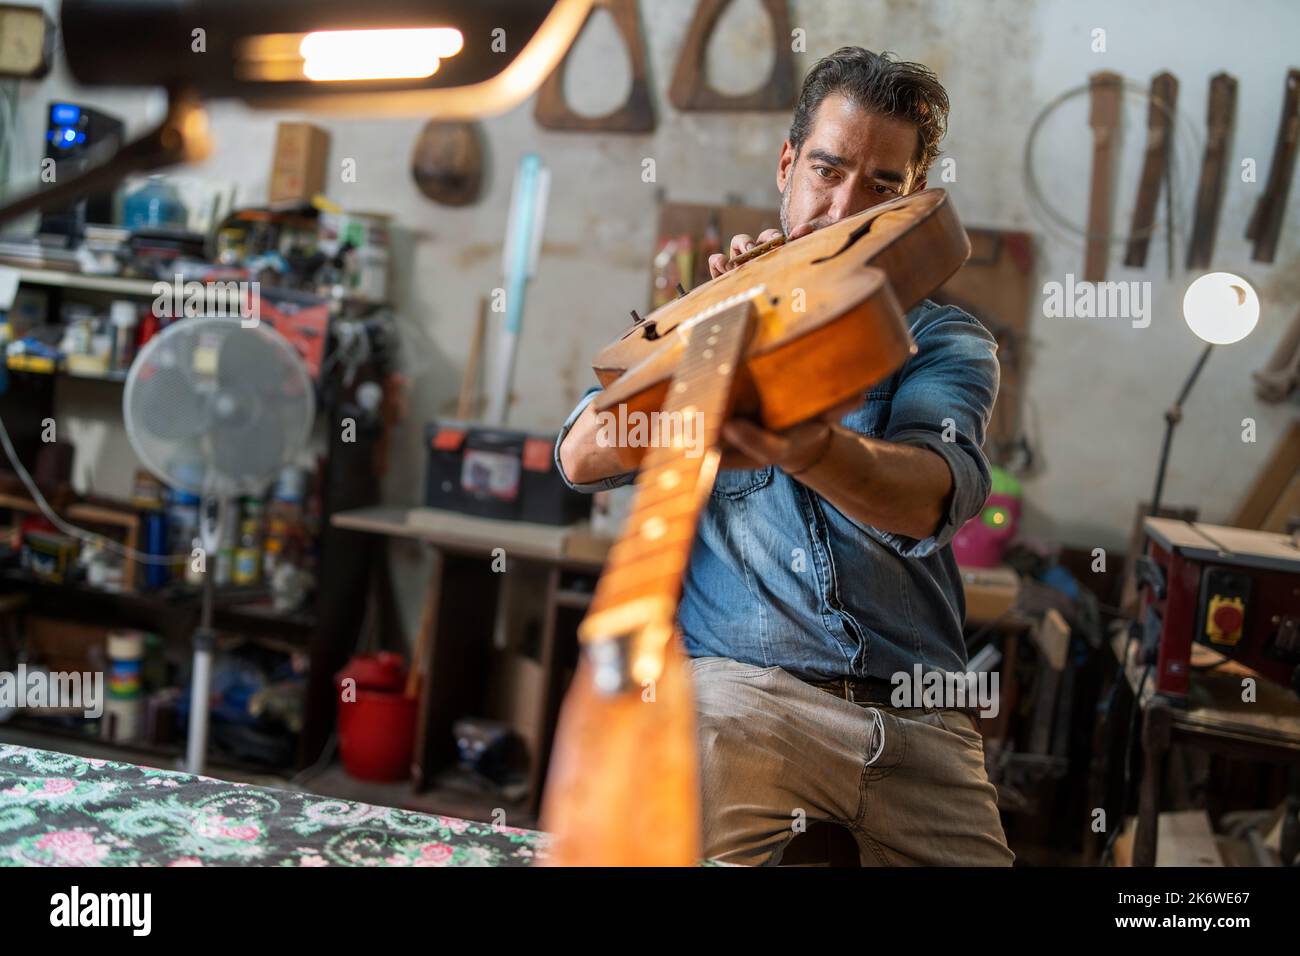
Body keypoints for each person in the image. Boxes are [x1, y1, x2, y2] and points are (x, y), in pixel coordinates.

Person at [554, 47, 1013, 866]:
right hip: (741, 699)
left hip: (920, 712)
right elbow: (583, 455)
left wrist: (805, 437)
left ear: (914, 200)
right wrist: (720, 334)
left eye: (881, 187)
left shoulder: (948, 341)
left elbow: (928, 495)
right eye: (827, 172)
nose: (841, 208)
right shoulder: (711, 317)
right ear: (786, 165)